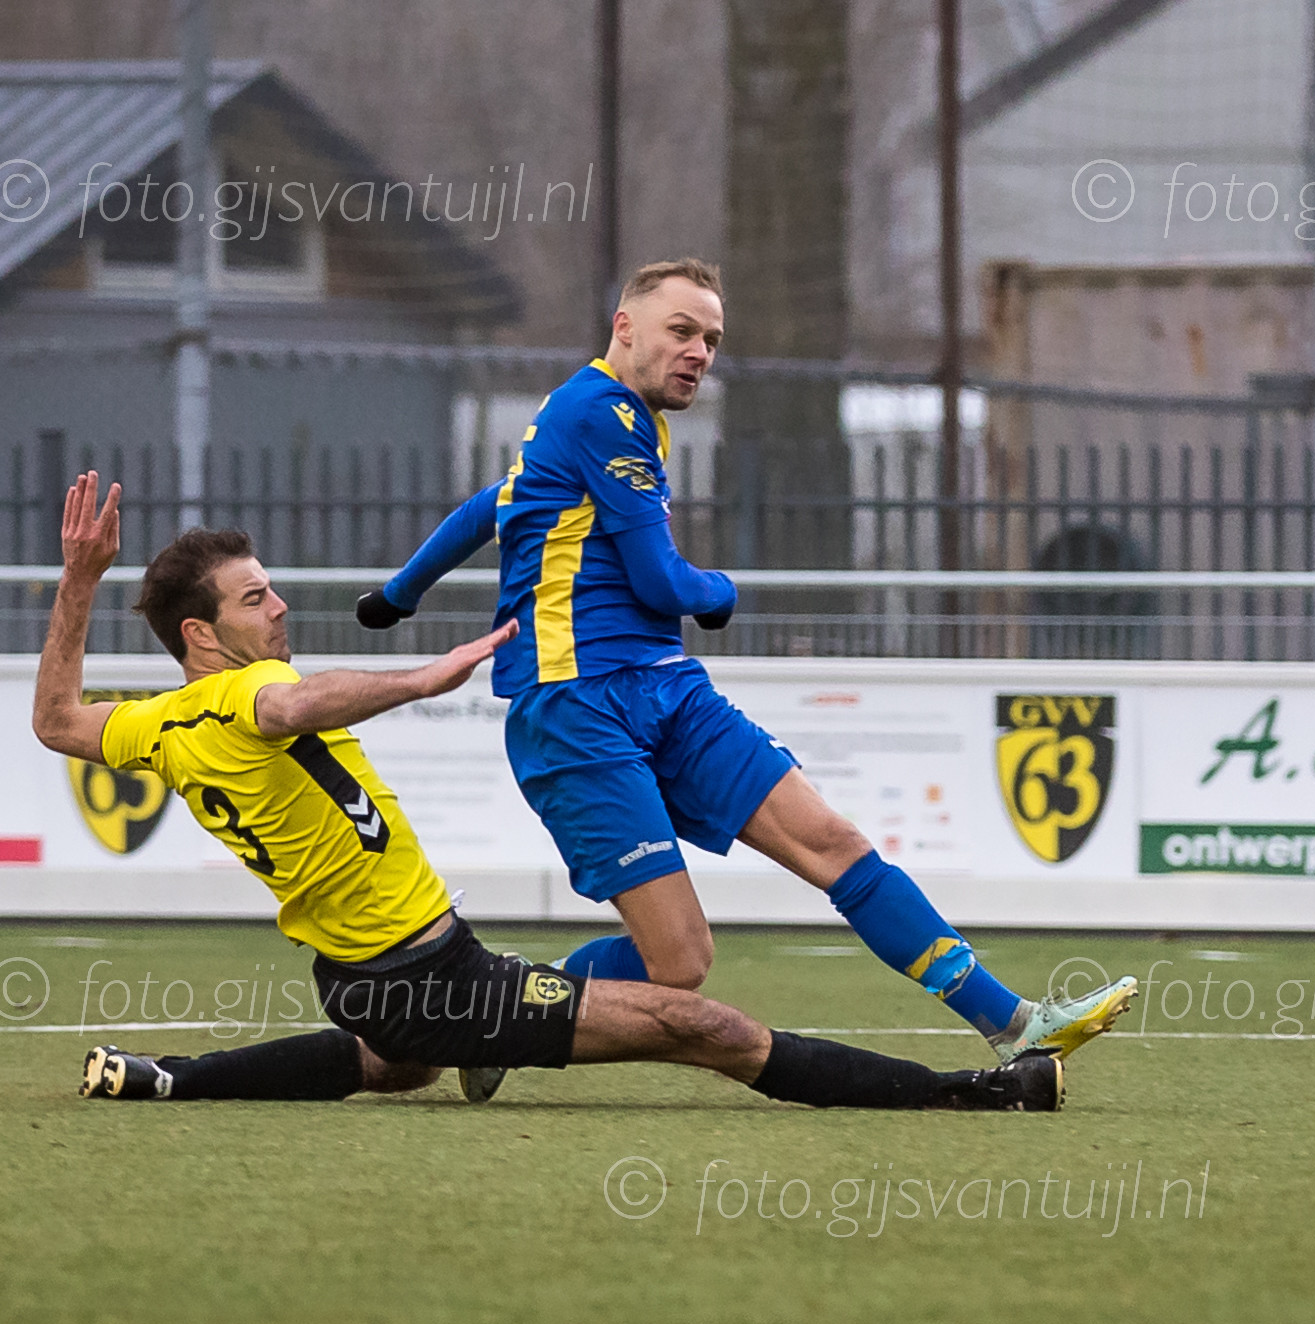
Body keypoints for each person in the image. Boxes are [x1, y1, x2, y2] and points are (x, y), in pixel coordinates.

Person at [35, 472, 1060, 1112]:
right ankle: (977, 1093)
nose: (280, 605)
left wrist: (79, 581)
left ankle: (166, 1076)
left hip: (367, 982)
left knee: (398, 1063)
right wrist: (421, 679)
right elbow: (294, 704)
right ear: (202, 635)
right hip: (433, 980)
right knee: (705, 1027)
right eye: (256, 596)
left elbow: (56, 721)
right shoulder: (239, 694)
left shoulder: (156, 724)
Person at [356, 258, 1136, 1061]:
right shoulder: (600, 413)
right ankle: (499, 1015)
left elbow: (492, 503)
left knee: (833, 842)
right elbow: (662, 582)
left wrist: (399, 593)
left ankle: (1013, 1023)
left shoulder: (603, 417)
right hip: (576, 705)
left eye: (712, 339)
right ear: (624, 328)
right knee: (680, 963)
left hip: (667, 690)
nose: (699, 352)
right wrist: (721, 590)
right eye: (681, 331)